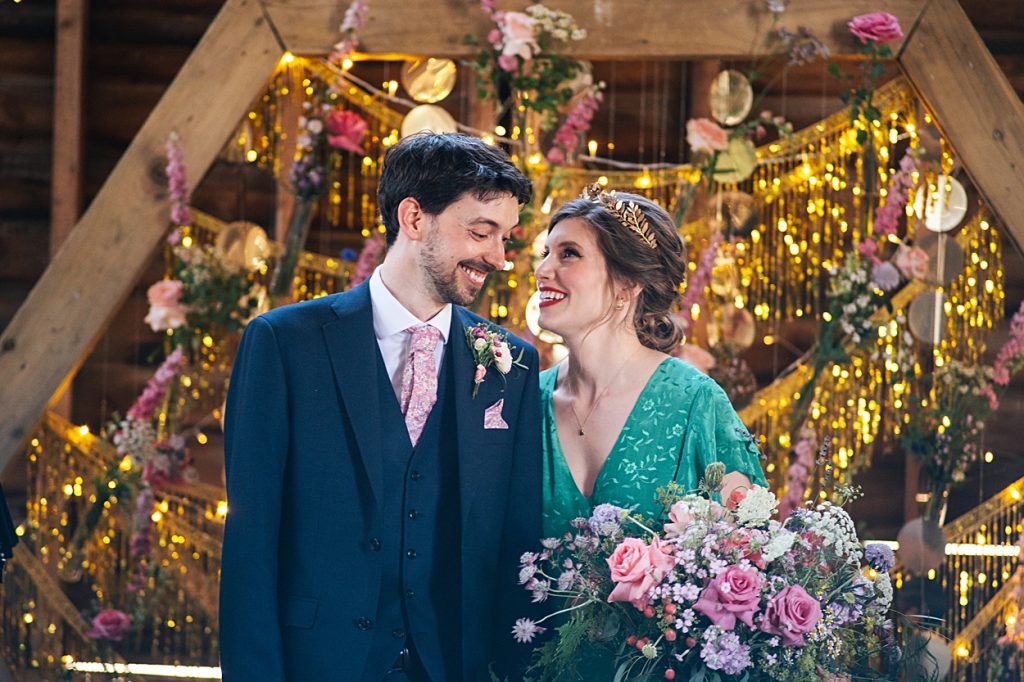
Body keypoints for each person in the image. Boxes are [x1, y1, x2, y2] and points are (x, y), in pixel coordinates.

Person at [219, 133, 542, 681]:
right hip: (317, 664)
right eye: (481, 232)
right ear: (413, 218)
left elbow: (519, 546)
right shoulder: (283, 342)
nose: (498, 257)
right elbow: (251, 544)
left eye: (505, 238)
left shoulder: (513, 363)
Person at [534, 184, 767, 539]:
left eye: (569, 254)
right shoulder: (528, 402)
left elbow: (749, 552)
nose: (543, 270)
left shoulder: (695, 402)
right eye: (545, 253)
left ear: (627, 283)